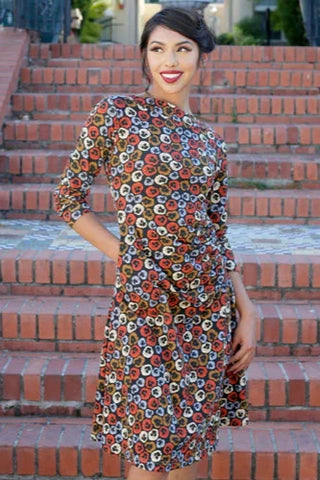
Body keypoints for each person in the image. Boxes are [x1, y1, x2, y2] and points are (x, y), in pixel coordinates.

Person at [54, 7, 258, 480]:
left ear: (201, 56)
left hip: (207, 308)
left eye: (183, 49)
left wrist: (247, 310)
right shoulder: (117, 114)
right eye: (158, 48)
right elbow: (68, 199)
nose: (170, 60)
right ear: (144, 56)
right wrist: (128, 260)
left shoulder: (211, 142)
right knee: (147, 449)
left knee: (187, 448)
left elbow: (216, 232)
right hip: (145, 304)